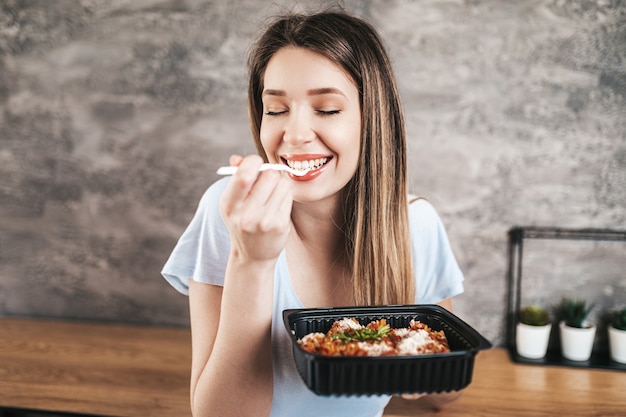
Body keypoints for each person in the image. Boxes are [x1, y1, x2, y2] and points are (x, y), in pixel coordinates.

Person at [162, 9, 464, 417]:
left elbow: (445, 395)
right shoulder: (232, 211)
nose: (295, 134)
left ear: (371, 120)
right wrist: (251, 262)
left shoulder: (415, 226)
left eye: (326, 109)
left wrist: (421, 371)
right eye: (276, 109)